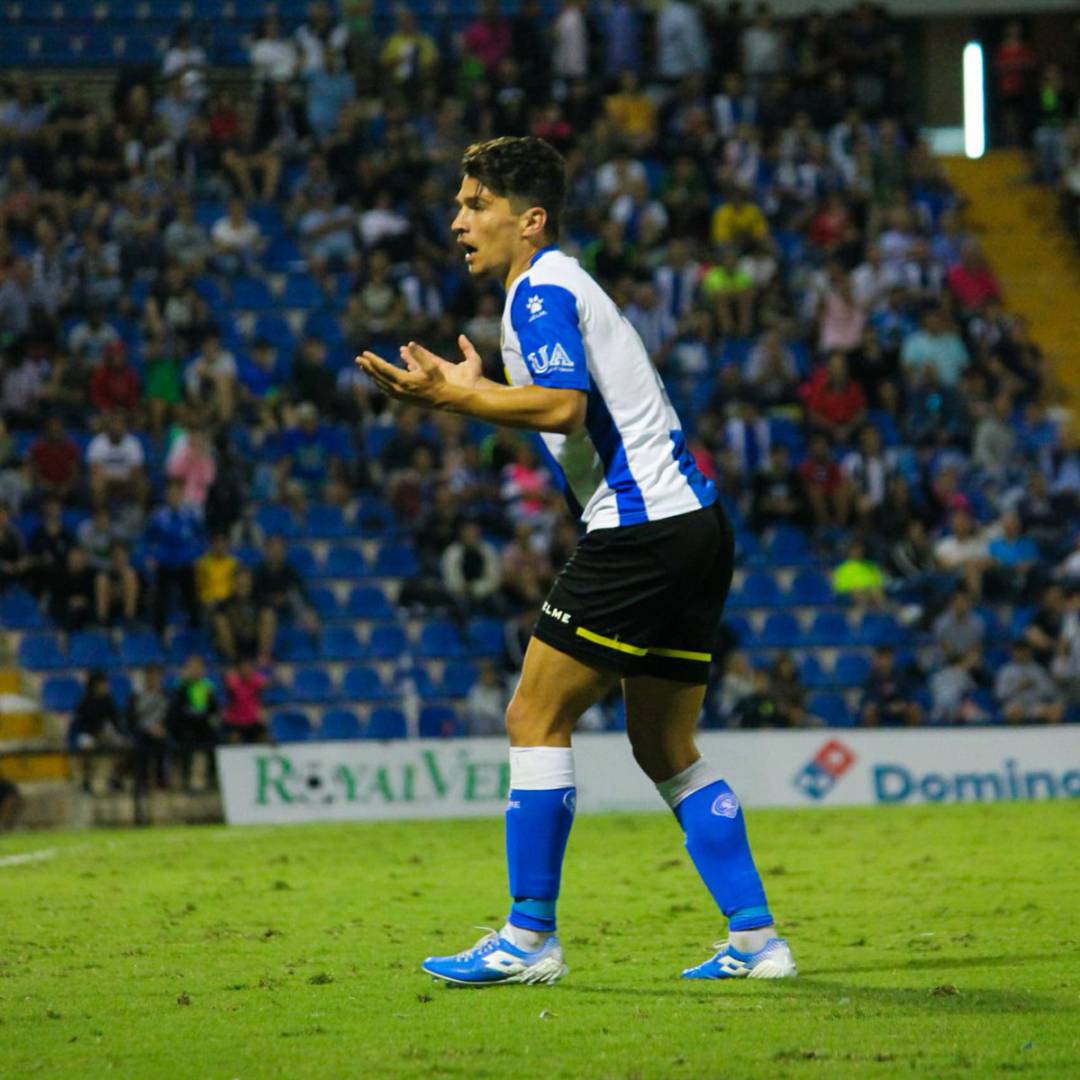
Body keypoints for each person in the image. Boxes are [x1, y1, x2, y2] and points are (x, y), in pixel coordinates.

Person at [357, 136, 794, 985]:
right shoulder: (561, 286)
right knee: (664, 741)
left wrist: (458, 393)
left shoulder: (539, 291)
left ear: (530, 219)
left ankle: (527, 939)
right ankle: (755, 940)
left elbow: (561, 407)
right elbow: (563, 408)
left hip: (640, 528)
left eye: (475, 203)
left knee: (533, 717)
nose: (458, 220)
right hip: (697, 525)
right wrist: (479, 392)